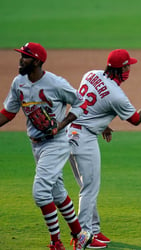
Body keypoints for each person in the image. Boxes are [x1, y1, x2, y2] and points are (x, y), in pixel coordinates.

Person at [0, 42, 92, 250]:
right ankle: (80, 234)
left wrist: (61, 124)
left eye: (25, 56)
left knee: (41, 192)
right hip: (36, 145)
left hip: (57, 143)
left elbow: (81, 102)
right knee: (57, 192)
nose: (21, 59)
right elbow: (8, 112)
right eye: (21, 55)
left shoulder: (55, 84)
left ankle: (56, 243)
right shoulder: (19, 83)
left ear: (38, 61)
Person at [67, 49, 141, 248]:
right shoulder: (116, 95)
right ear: (121, 69)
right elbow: (135, 120)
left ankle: (93, 230)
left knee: (86, 186)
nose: (130, 69)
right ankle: (82, 236)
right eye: (128, 66)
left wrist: (103, 124)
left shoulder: (91, 74)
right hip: (84, 138)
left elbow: (85, 104)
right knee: (89, 189)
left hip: (69, 133)